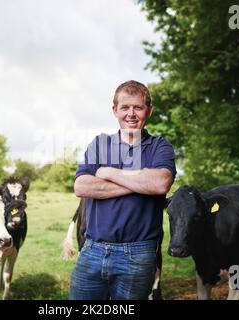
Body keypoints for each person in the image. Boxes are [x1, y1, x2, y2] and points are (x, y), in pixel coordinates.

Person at [69, 80, 176, 300]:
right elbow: (81, 186)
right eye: (125, 107)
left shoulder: (159, 146)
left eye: (138, 107)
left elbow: (160, 183)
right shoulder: (100, 144)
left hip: (138, 254)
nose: (131, 114)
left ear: (149, 111)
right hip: (92, 250)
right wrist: (140, 184)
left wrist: (108, 172)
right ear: (115, 110)